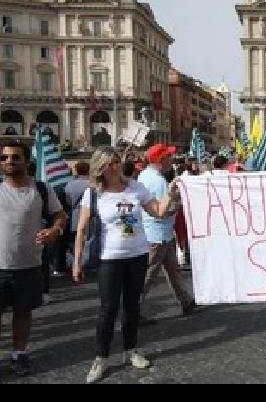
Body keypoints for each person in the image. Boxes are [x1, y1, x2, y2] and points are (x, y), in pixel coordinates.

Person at [72, 147, 180, 384]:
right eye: (109, 163)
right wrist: (77, 261)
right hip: (109, 258)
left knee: (132, 307)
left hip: (138, 255)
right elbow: (81, 229)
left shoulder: (136, 187)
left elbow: (159, 212)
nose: (115, 167)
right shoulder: (94, 194)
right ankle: (101, 358)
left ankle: (131, 350)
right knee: (108, 309)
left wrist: (171, 194)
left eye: (117, 162)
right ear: (99, 167)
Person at [0, 141, 67, 376]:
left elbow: (59, 215)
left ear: (27, 162)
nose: (9, 162)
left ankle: (19, 353)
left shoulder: (41, 189)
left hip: (28, 264)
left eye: (15, 157)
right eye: (4, 158)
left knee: (23, 311)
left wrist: (54, 230)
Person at [139, 144, 196, 324]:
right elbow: (165, 208)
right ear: (161, 160)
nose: (172, 159)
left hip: (160, 233)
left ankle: (186, 300)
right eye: (169, 157)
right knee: (148, 276)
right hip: (157, 235)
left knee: (173, 270)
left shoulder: (145, 176)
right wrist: (181, 204)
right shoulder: (158, 181)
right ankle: (133, 309)